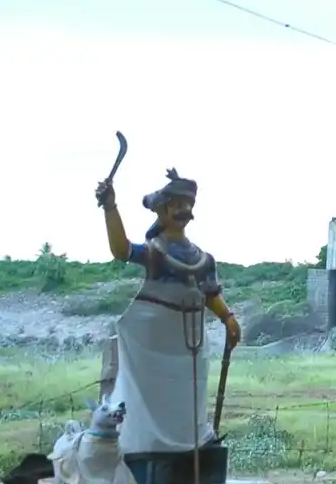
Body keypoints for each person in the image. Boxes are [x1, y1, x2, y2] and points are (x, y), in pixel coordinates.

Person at [96, 169, 241, 458]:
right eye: (175, 205)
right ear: (162, 211)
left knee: (188, 401)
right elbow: (121, 249)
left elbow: (210, 293)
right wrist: (111, 208)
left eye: (186, 205)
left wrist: (227, 318)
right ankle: (151, 452)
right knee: (153, 398)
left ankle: (190, 452)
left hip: (190, 345)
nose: (182, 210)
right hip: (153, 348)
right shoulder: (154, 252)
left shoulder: (203, 259)